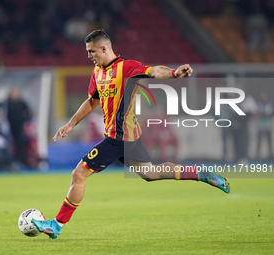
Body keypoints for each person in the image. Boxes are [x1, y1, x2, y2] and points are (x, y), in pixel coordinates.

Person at [32, 29, 230, 239]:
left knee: (79, 173)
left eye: (91, 51)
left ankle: (57, 224)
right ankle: (200, 174)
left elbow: (153, 71)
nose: (89, 56)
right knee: (150, 174)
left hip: (119, 137)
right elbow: (92, 101)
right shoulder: (98, 72)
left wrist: (174, 73)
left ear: (103, 48)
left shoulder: (126, 67)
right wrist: (70, 124)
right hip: (127, 137)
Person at [0, 87, 31, 168]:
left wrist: (24, 122)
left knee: (19, 144)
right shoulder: (5, 103)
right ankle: (8, 162)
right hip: (8, 127)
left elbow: (28, 113)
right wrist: (0, 117)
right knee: (7, 145)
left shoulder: (21, 103)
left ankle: (19, 161)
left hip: (19, 127)